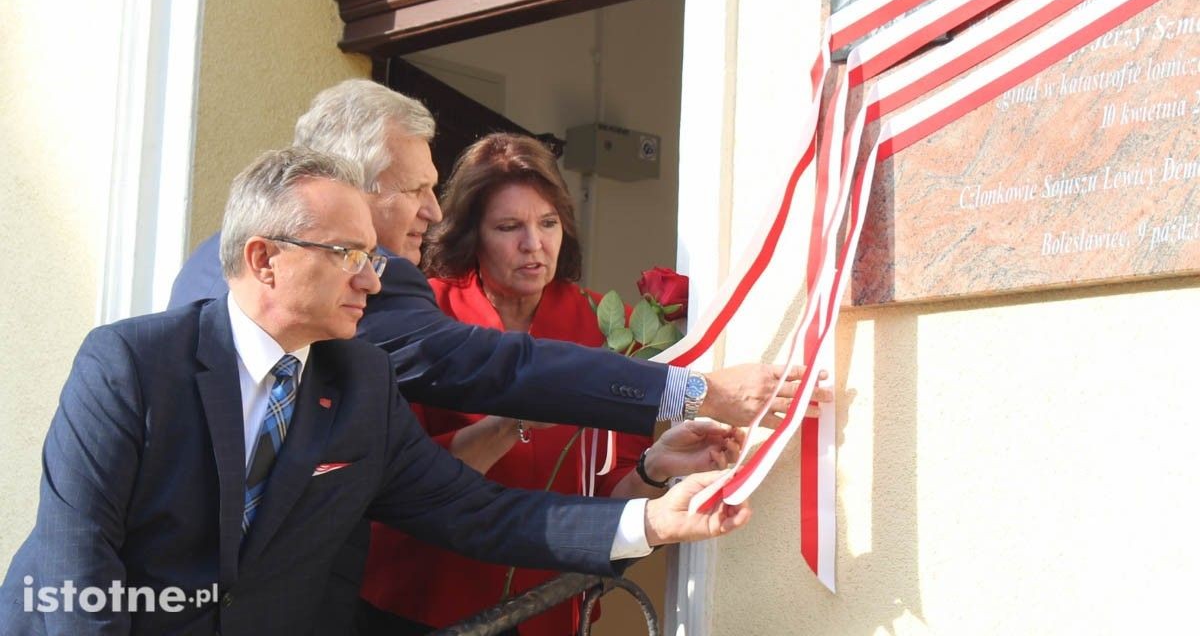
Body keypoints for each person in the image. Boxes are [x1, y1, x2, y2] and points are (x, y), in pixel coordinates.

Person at [0, 147, 751, 635]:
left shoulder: (357, 383)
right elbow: (78, 576)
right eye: (350, 254)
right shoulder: (129, 365)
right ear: (265, 260)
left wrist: (650, 521)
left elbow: (477, 513)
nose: (375, 276)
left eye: (373, 253)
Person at [170, 81, 813, 434]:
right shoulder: (391, 288)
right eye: (416, 190)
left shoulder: (213, 255)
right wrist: (697, 390)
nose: (433, 211)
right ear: (356, 187)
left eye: (548, 222)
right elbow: (498, 370)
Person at [356, 134, 742, 635]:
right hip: (422, 602)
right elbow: (406, 486)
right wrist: (512, 419)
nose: (534, 245)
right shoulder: (425, 314)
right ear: (471, 233)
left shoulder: (605, 323)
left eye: (548, 223)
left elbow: (609, 496)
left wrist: (655, 466)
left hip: (550, 607)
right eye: (508, 226)